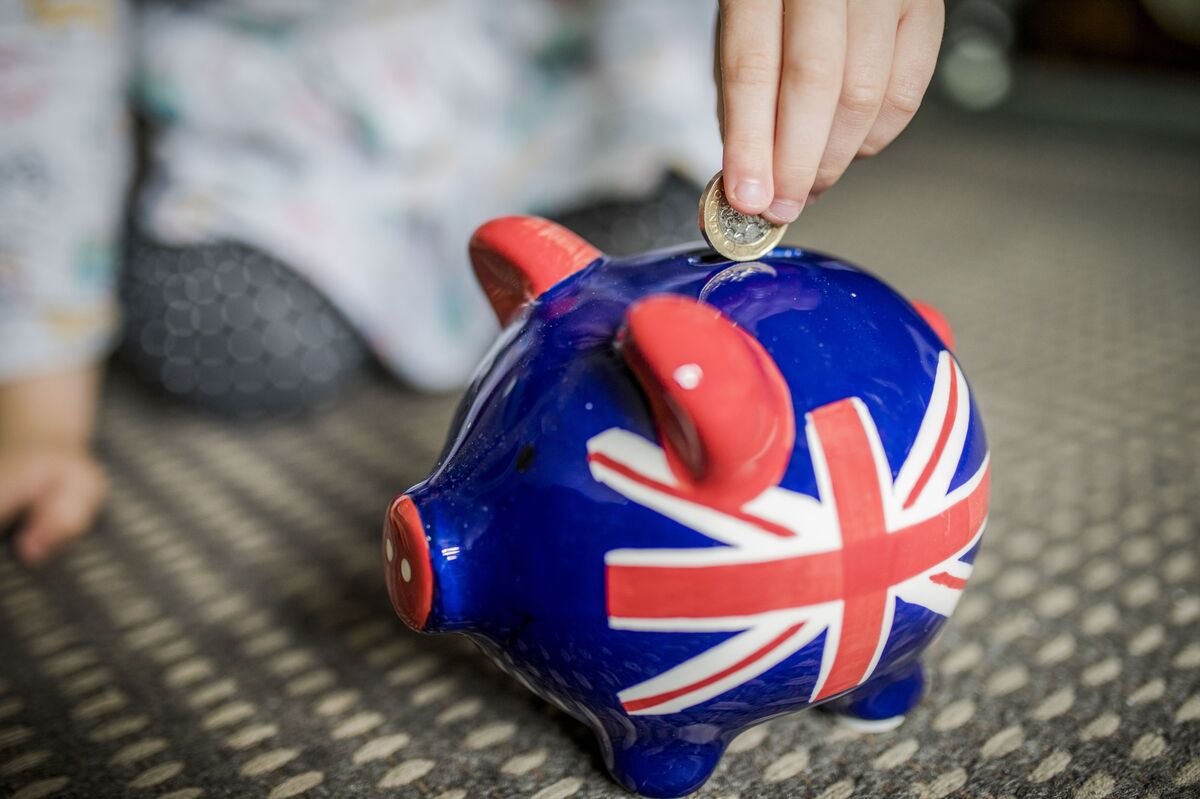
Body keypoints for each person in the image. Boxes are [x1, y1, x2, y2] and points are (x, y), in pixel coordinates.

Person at [0, 0, 944, 565]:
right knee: (229, 345)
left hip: (557, 91)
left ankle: (591, 286)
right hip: (288, 118)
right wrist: (40, 413)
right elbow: (43, 52)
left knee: (669, 260)